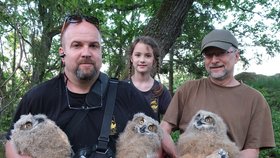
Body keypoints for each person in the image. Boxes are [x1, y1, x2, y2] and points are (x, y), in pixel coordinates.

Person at [5, 14, 157, 158]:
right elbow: (11, 142)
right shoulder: (38, 98)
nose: (86, 53)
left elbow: (157, 139)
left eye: (93, 46)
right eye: (77, 45)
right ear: (62, 53)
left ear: (101, 52)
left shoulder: (128, 94)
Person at [160, 29, 275, 158]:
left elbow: (251, 151)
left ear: (236, 56)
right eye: (209, 55)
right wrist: (177, 155)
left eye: (221, 53)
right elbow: (164, 129)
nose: (214, 60)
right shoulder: (188, 89)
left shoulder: (255, 99)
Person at [126, 36, 172, 121]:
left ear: (154, 60)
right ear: (131, 58)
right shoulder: (122, 89)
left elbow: (171, 120)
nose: (142, 60)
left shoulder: (160, 90)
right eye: (138, 55)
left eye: (147, 56)